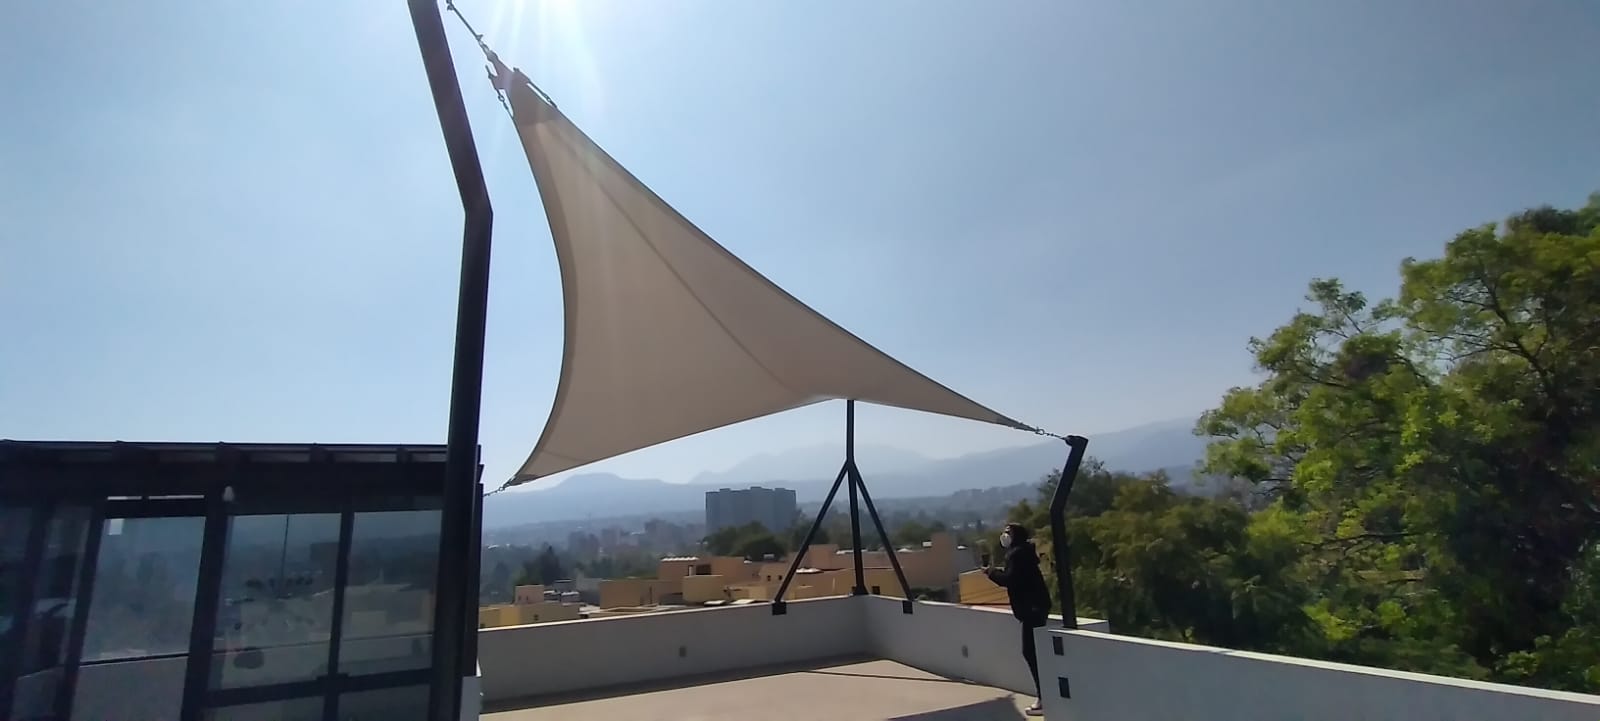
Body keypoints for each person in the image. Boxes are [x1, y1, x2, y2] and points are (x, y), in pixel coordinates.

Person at [984, 522, 1051, 717]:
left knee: (1030, 652)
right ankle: (1045, 696)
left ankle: (1044, 698)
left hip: (1031, 610)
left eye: (1008, 532)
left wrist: (991, 573)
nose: (1004, 535)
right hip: (1037, 607)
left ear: (1015, 536)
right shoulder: (1024, 553)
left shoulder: (1017, 555)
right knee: (1033, 653)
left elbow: (1010, 580)